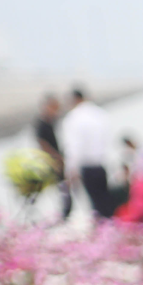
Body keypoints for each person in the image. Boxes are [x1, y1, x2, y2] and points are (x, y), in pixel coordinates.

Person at [58, 87, 117, 220]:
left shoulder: (74, 117)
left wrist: (70, 170)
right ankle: (110, 230)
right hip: (101, 164)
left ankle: (103, 234)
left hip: (86, 166)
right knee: (105, 203)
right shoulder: (100, 114)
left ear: (75, 99)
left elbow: (74, 147)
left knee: (94, 206)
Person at [33, 94, 70, 220]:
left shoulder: (52, 122)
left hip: (56, 159)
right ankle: (56, 215)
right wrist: (56, 157)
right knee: (58, 190)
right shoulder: (41, 123)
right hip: (50, 161)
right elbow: (42, 143)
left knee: (64, 189)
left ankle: (64, 214)